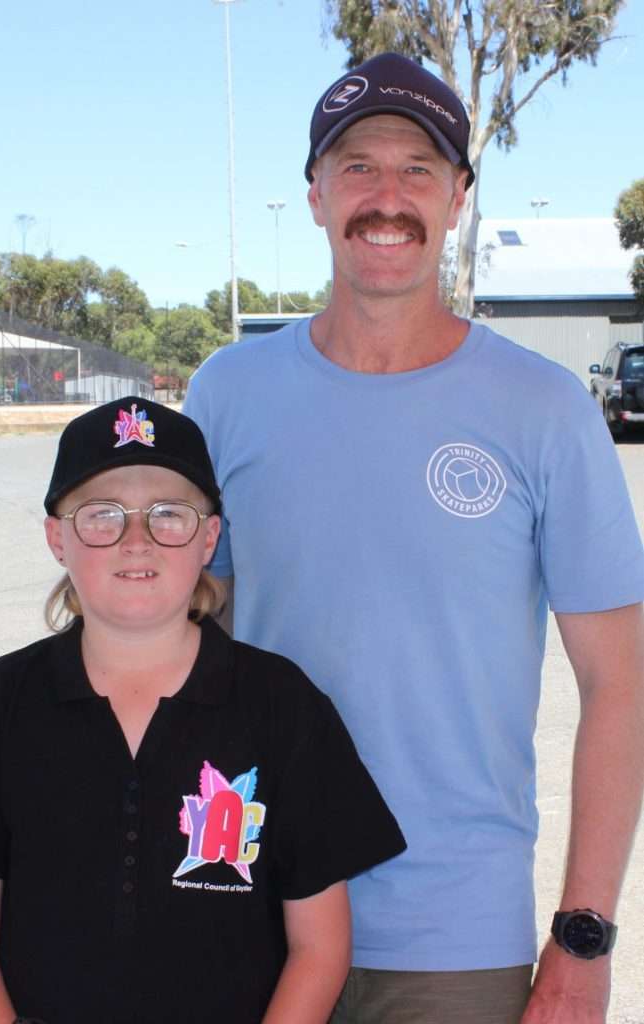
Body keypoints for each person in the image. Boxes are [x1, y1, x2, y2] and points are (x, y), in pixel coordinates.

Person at [183, 52, 644, 1024]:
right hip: (246, 915)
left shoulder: (543, 408)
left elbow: (620, 681)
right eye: (355, 166)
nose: (384, 196)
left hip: (452, 939)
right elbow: (178, 641)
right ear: (313, 194)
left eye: (416, 169)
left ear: (457, 197)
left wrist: (581, 939)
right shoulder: (228, 392)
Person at [0, 397, 406, 1024]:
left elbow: (319, 946)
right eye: (102, 515)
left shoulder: (282, 706)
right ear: (57, 538)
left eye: (168, 515)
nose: (137, 541)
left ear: (209, 537)